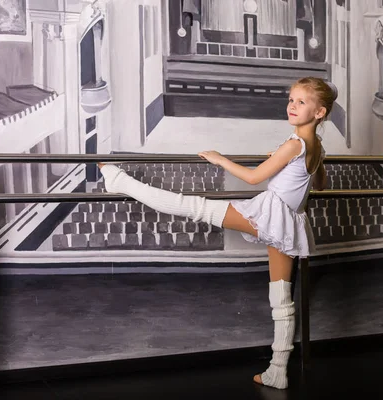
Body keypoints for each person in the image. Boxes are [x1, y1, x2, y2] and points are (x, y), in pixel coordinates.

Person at [98, 77, 337, 389]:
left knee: (192, 206)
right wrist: (280, 162)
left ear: (319, 112)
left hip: (271, 214)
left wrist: (220, 159)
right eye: (291, 99)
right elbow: (319, 184)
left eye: (301, 102)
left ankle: (121, 183)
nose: (292, 106)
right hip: (289, 221)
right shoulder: (316, 146)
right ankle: (278, 369)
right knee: (282, 295)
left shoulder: (294, 145)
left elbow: (253, 179)